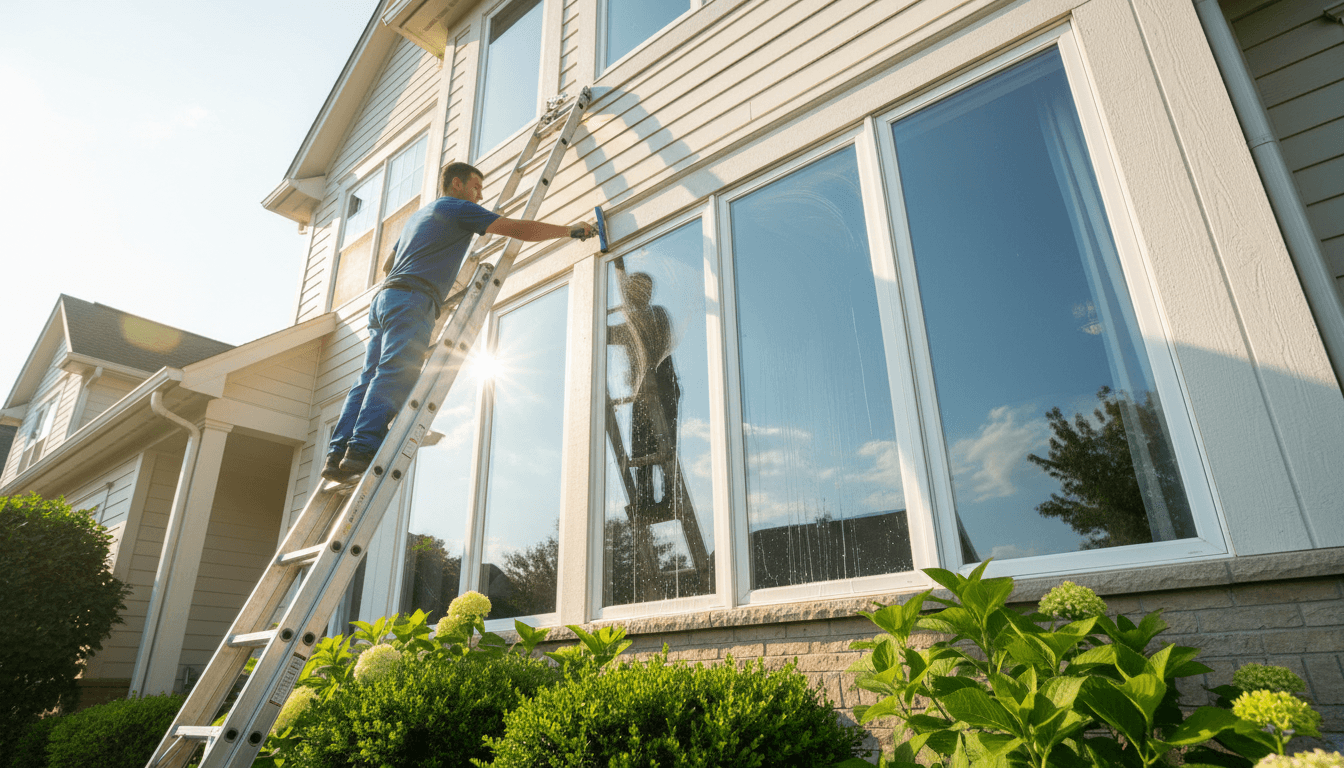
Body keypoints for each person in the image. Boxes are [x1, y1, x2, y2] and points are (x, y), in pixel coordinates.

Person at [323, 161, 596, 482]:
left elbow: (388, 264)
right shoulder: (458, 208)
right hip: (412, 298)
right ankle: (362, 448)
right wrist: (568, 230)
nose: (480, 195)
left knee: (368, 375)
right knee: (396, 370)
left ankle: (336, 455)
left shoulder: (420, 215)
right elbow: (518, 230)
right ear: (456, 183)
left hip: (385, 299)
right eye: (476, 187)